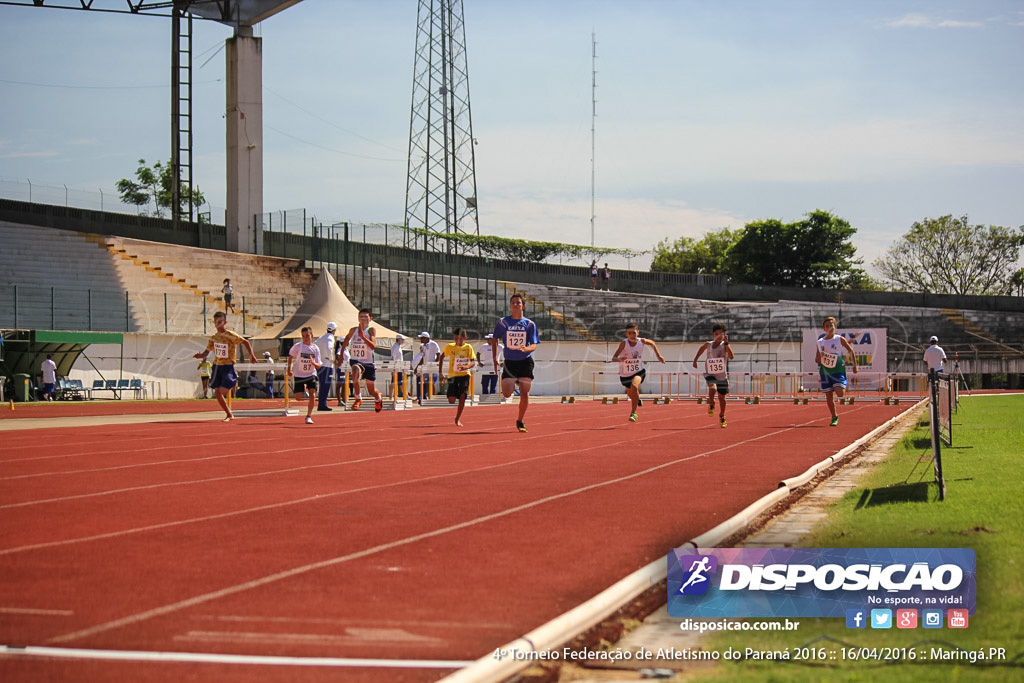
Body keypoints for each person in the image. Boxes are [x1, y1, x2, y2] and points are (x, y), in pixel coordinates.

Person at [193, 310, 255, 422]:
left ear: (225, 322)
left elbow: (245, 342)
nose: (218, 324)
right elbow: (207, 352)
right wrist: (200, 355)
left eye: (220, 321)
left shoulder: (230, 335)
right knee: (217, 393)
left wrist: (252, 356)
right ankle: (229, 414)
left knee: (223, 391)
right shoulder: (213, 338)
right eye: (216, 322)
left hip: (228, 366)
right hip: (217, 367)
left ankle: (233, 379)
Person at [490, 293, 539, 433]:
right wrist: (495, 358)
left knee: (525, 393)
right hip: (510, 362)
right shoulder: (503, 323)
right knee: (506, 393)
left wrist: (527, 348)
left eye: (518, 302)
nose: (516, 305)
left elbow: (534, 344)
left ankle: (520, 420)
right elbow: (494, 339)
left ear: (523, 305)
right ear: (510, 306)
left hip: (525, 361)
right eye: (513, 302)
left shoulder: (529, 324)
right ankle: (514, 380)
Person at [612, 323, 666, 423]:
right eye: (629, 333)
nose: (632, 335)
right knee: (631, 394)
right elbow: (613, 358)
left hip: (639, 371)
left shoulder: (642, 341)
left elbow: (653, 343)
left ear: (638, 333)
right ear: (626, 334)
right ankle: (637, 400)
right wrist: (620, 359)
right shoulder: (624, 343)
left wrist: (659, 356)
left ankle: (633, 413)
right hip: (625, 375)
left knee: (635, 386)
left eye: (634, 333)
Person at [814, 316, 859, 427]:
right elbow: (816, 359)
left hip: (838, 369)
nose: (830, 327)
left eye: (831, 325)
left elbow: (851, 351)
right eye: (827, 326)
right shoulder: (820, 342)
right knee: (828, 396)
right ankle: (834, 416)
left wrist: (855, 365)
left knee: (839, 393)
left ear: (835, 327)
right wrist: (821, 355)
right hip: (825, 371)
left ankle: (840, 385)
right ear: (824, 329)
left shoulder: (839, 339)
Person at [340, 308, 384, 412]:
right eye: (361, 317)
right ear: (358, 318)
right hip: (356, 360)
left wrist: (363, 337)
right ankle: (358, 398)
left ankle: (378, 398)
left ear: (370, 319)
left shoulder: (371, 330)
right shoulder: (353, 330)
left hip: (368, 362)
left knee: (371, 391)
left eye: (365, 317)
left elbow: (373, 346)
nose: (363, 319)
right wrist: (341, 354)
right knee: (355, 370)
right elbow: (346, 339)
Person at [691, 323, 735, 428]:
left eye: (721, 334)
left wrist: (727, 344)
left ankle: (722, 415)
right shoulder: (708, 345)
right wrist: (695, 360)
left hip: (722, 375)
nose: (718, 336)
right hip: (710, 373)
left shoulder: (725, 346)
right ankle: (711, 403)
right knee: (712, 387)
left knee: (722, 397)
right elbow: (701, 350)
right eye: (716, 334)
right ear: (713, 335)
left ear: (724, 335)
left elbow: (732, 357)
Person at [439, 327, 477, 426]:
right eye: (455, 338)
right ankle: (454, 394)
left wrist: (466, 366)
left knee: (462, 396)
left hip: (465, 374)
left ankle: (457, 418)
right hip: (453, 375)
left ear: (464, 337)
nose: (457, 341)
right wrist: (440, 373)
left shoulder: (468, 347)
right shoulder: (450, 346)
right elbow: (442, 357)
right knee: (451, 400)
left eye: (459, 339)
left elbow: (473, 361)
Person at [287, 326, 322, 424]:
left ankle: (308, 416)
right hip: (299, 374)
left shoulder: (315, 348)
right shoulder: (298, 346)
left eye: (307, 336)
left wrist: (314, 363)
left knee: (313, 395)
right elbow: (290, 357)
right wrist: (289, 369)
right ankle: (304, 390)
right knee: (298, 397)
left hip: (311, 374)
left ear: (312, 336)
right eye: (303, 336)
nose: (305, 338)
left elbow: (319, 365)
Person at [314, 322, 337, 411]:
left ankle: (321, 403)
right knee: (325, 385)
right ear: (334, 330)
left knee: (321, 385)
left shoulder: (320, 338)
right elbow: (329, 348)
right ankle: (322, 404)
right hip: (327, 364)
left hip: (320, 364)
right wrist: (331, 358)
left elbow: (315, 345)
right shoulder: (330, 338)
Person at [412, 331, 442, 403]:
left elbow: (438, 354)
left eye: (422, 338)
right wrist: (417, 368)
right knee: (425, 382)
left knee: (431, 383)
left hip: (432, 367)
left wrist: (435, 364)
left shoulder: (434, 344)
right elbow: (422, 358)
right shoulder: (423, 346)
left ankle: (433, 398)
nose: (420, 340)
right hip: (425, 367)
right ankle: (424, 397)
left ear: (426, 338)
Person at [391, 334, 406, 398]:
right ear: (399, 340)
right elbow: (393, 357)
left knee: (396, 382)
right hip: (396, 367)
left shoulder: (398, 347)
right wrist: (393, 368)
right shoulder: (395, 347)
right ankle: (405, 395)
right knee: (399, 383)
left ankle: (392, 396)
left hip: (399, 367)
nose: (403, 341)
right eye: (402, 340)